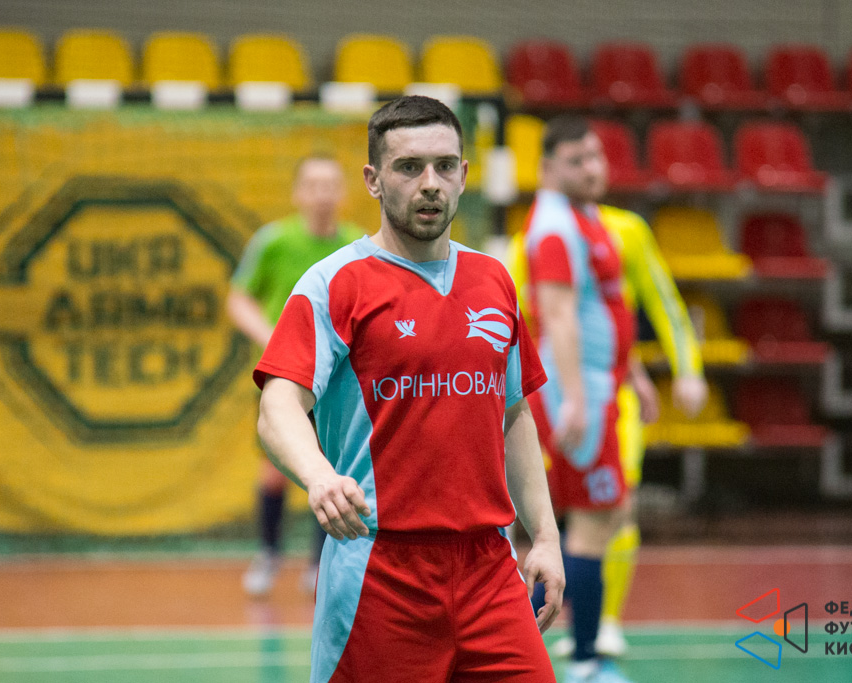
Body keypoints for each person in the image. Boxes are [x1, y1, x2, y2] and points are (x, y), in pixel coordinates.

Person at [253, 95, 565, 682]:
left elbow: (514, 413)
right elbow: (278, 404)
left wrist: (545, 537)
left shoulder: (494, 279)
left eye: (444, 166)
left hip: (489, 567)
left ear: (464, 176)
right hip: (380, 570)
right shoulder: (334, 283)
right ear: (373, 180)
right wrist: (318, 476)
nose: (430, 184)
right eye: (409, 167)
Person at [519, 116, 705, 683]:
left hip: (601, 385)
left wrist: (634, 375)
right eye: (577, 160)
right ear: (547, 168)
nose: (592, 168)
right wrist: (575, 399)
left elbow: (604, 311)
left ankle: (557, 651)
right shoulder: (555, 228)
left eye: (596, 156)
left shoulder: (592, 221)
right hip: (579, 393)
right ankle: (574, 658)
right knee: (591, 522)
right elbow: (556, 317)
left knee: (606, 516)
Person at [227, 154, 364, 596]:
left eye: (330, 185)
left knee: (332, 468)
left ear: (344, 193)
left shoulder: (356, 247)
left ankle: (319, 563)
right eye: (313, 185)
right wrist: (274, 338)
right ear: (298, 193)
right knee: (275, 471)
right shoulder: (274, 242)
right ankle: (269, 554)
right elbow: (239, 299)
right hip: (286, 378)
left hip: (338, 383)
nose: (322, 194)